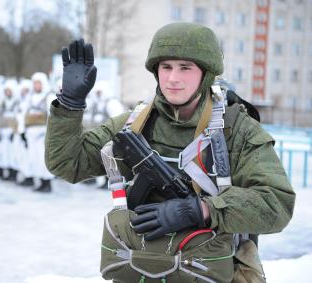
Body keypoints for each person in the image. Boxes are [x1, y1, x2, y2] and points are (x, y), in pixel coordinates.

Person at [45, 23, 295, 283]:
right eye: (166, 67)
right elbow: (67, 163)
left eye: (185, 68)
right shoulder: (135, 122)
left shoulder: (237, 130)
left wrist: (200, 210)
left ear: (206, 74)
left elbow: (276, 204)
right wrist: (69, 105)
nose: (173, 78)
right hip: (141, 268)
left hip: (208, 270)